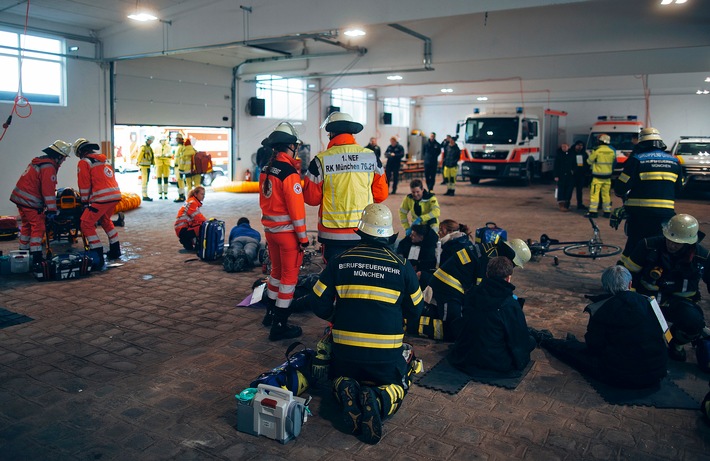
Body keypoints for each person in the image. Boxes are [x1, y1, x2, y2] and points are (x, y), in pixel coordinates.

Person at [309, 203, 423, 444]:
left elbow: (317, 301)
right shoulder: (402, 266)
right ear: (388, 235)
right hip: (385, 358)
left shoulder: (340, 261)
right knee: (400, 382)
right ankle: (379, 400)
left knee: (339, 374)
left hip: (346, 354)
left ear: (361, 232)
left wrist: (335, 318)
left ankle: (344, 386)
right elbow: (417, 309)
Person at [538, 266, 668, 388]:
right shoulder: (648, 301)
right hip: (657, 371)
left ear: (605, 287)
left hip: (622, 376)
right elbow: (664, 334)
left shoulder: (602, 308)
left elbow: (594, 346)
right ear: (630, 284)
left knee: (573, 354)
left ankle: (546, 340)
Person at [622, 214, 709, 362]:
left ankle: (675, 343)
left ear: (688, 242)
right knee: (638, 338)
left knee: (694, 323)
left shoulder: (702, 257)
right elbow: (627, 275)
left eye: (678, 243)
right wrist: (631, 301)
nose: (672, 245)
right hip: (647, 300)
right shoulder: (647, 246)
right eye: (670, 239)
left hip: (680, 303)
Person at [303, 112, 388, 262]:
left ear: (331, 133)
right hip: (364, 230)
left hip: (332, 234)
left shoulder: (320, 161)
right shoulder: (371, 157)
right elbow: (381, 195)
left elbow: (311, 199)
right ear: (352, 132)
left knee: (334, 276)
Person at [421, 237, 531, 341]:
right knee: (453, 329)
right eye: (515, 264)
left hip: (454, 284)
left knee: (462, 323)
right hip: (446, 286)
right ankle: (419, 319)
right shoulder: (489, 259)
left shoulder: (493, 250)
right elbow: (483, 292)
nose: (513, 266)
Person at [259, 122, 308, 341]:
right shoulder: (289, 173)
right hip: (288, 235)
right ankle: (280, 325)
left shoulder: (266, 169)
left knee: (276, 274)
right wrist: (303, 239)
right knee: (289, 279)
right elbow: (296, 211)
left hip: (270, 232)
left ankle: (270, 314)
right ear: (289, 146)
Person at [449, 256, 536, 377]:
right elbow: (518, 339)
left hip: (465, 357)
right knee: (531, 341)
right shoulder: (510, 305)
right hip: (495, 362)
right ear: (508, 278)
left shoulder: (472, 294)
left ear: (487, 274)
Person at [614, 127, 682, 263]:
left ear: (642, 143)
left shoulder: (637, 160)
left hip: (640, 215)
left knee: (634, 245)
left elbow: (620, 188)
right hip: (665, 215)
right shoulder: (674, 162)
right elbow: (679, 190)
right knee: (658, 246)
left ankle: (624, 276)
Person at [10, 140, 72, 264]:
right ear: (59, 156)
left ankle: (23, 252)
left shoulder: (40, 162)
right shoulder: (48, 167)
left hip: (20, 199)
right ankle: (36, 256)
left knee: (27, 226)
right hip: (30, 202)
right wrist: (52, 210)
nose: (64, 161)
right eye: (64, 158)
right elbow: (48, 191)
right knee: (38, 227)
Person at [73, 138, 123, 269]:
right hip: (115, 196)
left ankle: (97, 255)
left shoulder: (84, 162)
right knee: (105, 220)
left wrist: (84, 202)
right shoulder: (104, 160)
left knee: (86, 223)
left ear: (80, 152)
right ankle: (115, 249)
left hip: (101, 198)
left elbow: (84, 184)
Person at [585, 133, 616, 218]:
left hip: (597, 177)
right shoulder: (612, 151)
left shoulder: (597, 151)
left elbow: (589, 161)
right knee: (606, 195)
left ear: (600, 141)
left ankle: (593, 212)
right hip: (607, 177)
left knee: (595, 194)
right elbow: (614, 162)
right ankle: (607, 211)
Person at [174, 186, 206, 251]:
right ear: (195, 194)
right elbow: (198, 217)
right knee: (204, 227)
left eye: (204, 194)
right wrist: (207, 222)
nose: (203, 196)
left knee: (201, 225)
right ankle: (189, 240)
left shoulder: (192, 201)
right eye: (202, 194)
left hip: (182, 229)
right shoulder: (193, 203)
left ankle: (189, 241)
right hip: (182, 230)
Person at [553, 143, 575, 212]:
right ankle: (561, 205)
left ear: (568, 147)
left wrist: (573, 171)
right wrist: (556, 175)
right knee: (561, 190)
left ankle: (567, 204)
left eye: (565, 146)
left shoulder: (571, 155)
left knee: (568, 190)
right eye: (562, 147)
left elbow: (574, 164)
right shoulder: (558, 155)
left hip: (569, 176)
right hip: (561, 175)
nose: (564, 148)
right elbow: (556, 166)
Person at [570, 141, 590, 210]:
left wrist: (585, 171)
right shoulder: (571, 152)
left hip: (581, 174)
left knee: (579, 190)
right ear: (575, 145)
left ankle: (580, 204)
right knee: (569, 189)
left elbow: (587, 163)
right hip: (572, 174)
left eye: (581, 145)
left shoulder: (584, 154)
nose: (580, 147)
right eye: (578, 145)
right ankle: (567, 203)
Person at [135, 135, 155, 201]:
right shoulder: (143, 147)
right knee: (144, 181)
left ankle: (145, 195)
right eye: (151, 140)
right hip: (144, 166)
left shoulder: (149, 147)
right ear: (148, 140)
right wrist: (138, 162)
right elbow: (139, 155)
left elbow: (151, 156)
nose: (151, 142)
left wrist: (153, 163)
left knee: (146, 181)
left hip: (147, 166)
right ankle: (144, 195)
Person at [173, 134, 187, 202]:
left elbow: (181, 158)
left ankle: (181, 196)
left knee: (180, 181)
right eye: (176, 138)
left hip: (179, 167)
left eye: (178, 139)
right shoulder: (178, 147)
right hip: (177, 166)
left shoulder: (181, 147)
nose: (176, 140)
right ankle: (181, 195)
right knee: (179, 181)